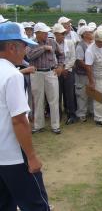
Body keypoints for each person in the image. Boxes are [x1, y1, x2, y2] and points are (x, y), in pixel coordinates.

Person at [0, 22, 50, 210]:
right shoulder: (13, 75)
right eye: (23, 45)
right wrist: (32, 156)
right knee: (36, 204)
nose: (26, 49)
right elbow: (19, 120)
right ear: (12, 47)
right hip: (14, 155)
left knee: (4, 204)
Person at [27, 23, 63, 134]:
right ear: (37, 33)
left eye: (47, 32)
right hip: (37, 73)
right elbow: (30, 56)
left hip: (51, 71)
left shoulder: (52, 41)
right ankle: (38, 125)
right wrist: (43, 48)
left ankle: (55, 125)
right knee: (38, 100)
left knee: (54, 99)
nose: (46, 34)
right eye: (44, 32)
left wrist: (60, 66)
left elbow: (61, 54)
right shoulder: (31, 42)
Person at [53, 23, 77, 125]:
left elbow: (73, 58)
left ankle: (71, 114)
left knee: (69, 94)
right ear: (55, 34)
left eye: (63, 33)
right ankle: (57, 115)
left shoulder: (70, 43)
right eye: (60, 34)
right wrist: (59, 68)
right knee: (57, 95)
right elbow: (52, 59)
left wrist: (65, 68)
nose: (63, 35)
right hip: (56, 72)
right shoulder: (52, 44)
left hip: (68, 71)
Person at [74, 25, 94, 122]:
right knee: (82, 93)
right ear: (85, 35)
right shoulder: (80, 46)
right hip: (82, 74)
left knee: (92, 92)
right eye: (90, 32)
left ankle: (91, 110)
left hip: (91, 72)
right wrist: (88, 67)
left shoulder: (92, 44)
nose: (92, 34)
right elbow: (79, 60)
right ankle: (81, 113)